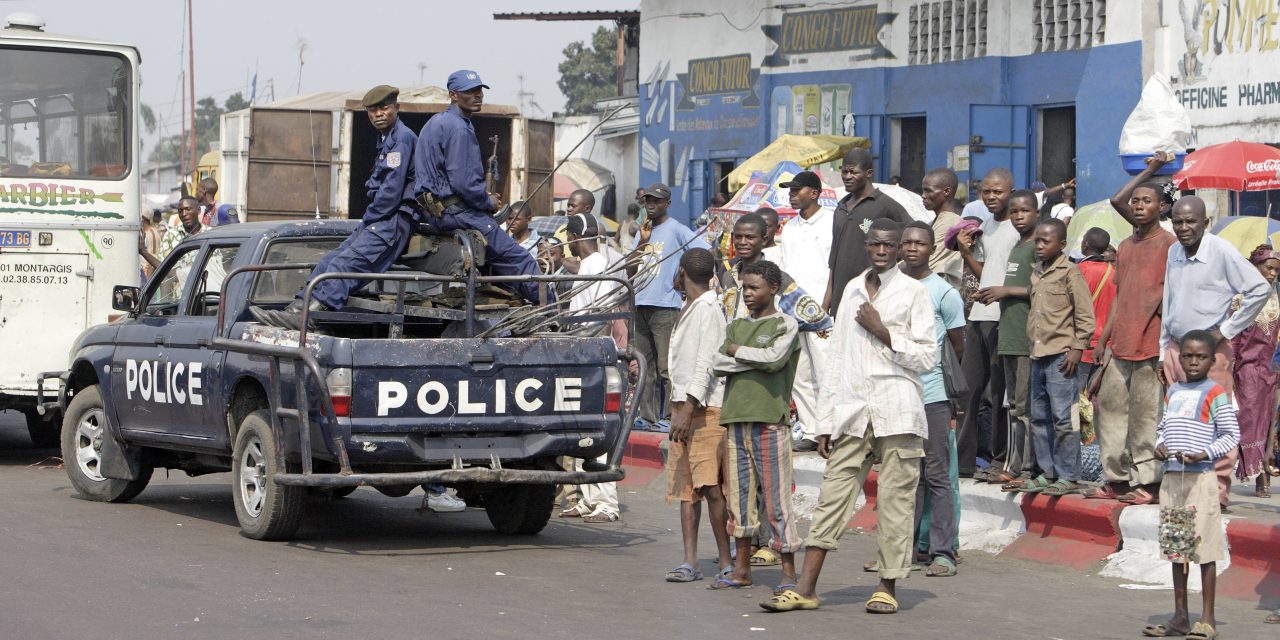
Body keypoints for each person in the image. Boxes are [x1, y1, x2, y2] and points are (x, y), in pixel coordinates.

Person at [762, 218, 936, 615]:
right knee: (831, 499)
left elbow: (927, 357)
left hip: (898, 413)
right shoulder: (852, 289)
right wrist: (824, 422)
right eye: (875, 244)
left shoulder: (913, 293)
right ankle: (805, 587)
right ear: (866, 245)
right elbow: (836, 359)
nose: (881, 251)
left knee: (895, 503)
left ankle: (887, 586)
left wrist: (885, 332)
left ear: (897, 250)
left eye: (888, 246)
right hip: (854, 413)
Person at [251, 85, 418, 330]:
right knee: (330, 259)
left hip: (393, 221)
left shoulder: (402, 138)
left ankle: (308, 315)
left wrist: (369, 217)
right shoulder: (386, 139)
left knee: (345, 264)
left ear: (397, 108)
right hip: (380, 218)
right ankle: (298, 308)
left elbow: (391, 194)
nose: (378, 114)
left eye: (384, 108)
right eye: (372, 110)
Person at [1160, 195, 1270, 509]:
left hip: (1212, 354)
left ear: (1205, 223)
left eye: (1190, 221)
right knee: (1179, 420)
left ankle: (1217, 491)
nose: (1183, 227)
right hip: (1176, 349)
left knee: (1217, 420)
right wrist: (1161, 351)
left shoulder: (1220, 251)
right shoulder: (1173, 252)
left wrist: (1226, 331)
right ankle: (1183, 486)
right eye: (1178, 221)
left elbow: (1259, 289)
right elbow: (1170, 302)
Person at [1085, 155, 1181, 503]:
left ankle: (1150, 483)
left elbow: (1171, 300)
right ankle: (1117, 479)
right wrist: (1105, 340)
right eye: (1136, 201)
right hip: (1119, 345)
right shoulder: (1124, 247)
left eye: (1147, 201)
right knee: (1109, 411)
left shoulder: (1170, 246)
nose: (1138, 206)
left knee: (1145, 417)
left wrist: (1168, 348)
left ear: (1161, 208)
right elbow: (1119, 296)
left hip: (1151, 346)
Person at [709, 260, 803, 592]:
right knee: (739, 500)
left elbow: (775, 359)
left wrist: (739, 355)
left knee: (777, 502)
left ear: (773, 288)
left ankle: (790, 574)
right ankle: (742, 570)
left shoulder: (786, 324)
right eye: (745, 288)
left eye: (754, 288)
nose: (747, 294)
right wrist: (753, 358)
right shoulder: (735, 327)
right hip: (735, 421)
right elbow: (718, 361)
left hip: (770, 423)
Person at [413, 70, 542, 304]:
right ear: (453, 95)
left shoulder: (435, 123)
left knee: (493, 263)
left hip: (438, 213)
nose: (477, 96)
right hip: (459, 213)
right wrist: (487, 201)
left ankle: (509, 307)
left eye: (479, 91)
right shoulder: (459, 127)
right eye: (469, 92)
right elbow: (463, 182)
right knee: (522, 261)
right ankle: (553, 313)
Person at [1142, 330, 1238, 640]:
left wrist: (1204, 453)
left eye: (1200, 357)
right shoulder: (1173, 391)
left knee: (1204, 548)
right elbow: (1162, 426)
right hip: (1172, 479)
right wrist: (1160, 444)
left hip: (1202, 479)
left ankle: (1207, 619)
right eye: (1187, 356)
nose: (1193, 362)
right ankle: (1180, 616)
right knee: (1176, 548)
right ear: (1179, 358)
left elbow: (1230, 435)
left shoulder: (1215, 392)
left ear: (1212, 360)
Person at [663, 247, 733, 582]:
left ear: (682, 273)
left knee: (711, 487)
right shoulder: (688, 306)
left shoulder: (709, 310)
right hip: (682, 407)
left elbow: (707, 363)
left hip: (703, 409)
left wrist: (689, 408)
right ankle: (689, 560)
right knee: (686, 489)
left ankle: (725, 560)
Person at [898, 221, 964, 577]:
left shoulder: (943, 291)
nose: (912, 248)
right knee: (906, 476)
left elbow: (958, 344)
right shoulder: (890, 285)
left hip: (933, 394)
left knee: (936, 474)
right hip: (898, 393)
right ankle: (902, 551)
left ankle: (943, 553)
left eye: (919, 243)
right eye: (906, 242)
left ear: (930, 248)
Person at [558, 213, 626, 523]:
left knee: (596, 431)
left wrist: (575, 340)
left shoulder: (597, 265)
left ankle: (606, 503)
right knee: (579, 431)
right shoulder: (589, 265)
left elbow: (600, 317)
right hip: (581, 354)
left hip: (593, 356)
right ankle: (587, 498)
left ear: (573, 237)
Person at [626, 182, 710, 431]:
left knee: (667, 367)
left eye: (656, 201)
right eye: (648, 201)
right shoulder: (643, 231)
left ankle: (671, 416)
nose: (651, 205)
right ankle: (648, 417)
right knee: (645, 365)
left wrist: (681, 273)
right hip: (641, 301)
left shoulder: (677, 229)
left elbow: (704, 252)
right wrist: (642, 242)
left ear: (667, 204)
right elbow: (629, 267)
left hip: (666, 304)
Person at [1022, 218, 1095, 496]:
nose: (1039, 246)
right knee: (1039, 417)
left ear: (1061, 244)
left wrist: (1077, 348)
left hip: (1061, 356)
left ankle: (1069, 475)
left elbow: (1085, 316)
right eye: (1037, 240)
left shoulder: (1070, 272)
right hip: (1038, 354)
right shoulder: (1037, 272)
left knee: (1064, 418)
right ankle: (1047, 472)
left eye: (1045, 241)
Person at [954, 168, 1017, 478]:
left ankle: (998, 460)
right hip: (978, 316)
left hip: (1002, 318)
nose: (992, 197)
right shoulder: (986, 226)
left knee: (997, 394)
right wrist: (966, 251)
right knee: (967, 391)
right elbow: (987, 274)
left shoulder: (1019, 227)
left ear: (1010, 191)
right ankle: (963, 462)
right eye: (986, 192)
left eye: (998, 192)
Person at [972, 190, 1038, 488]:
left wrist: (1005, 291)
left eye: (1025, 211)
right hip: (1007, 333)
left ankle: (1025, 468)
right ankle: (1012, 464)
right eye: (1015, 212)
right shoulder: (1016, 247)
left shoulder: (1037, 246)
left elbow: (1044, 288)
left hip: (1027, 336)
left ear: (1036, 212)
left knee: (1024, 406)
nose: (1019, 216)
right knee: (1012, 405)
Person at [776, 171, 836, 451]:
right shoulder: (789, 228)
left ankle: (832, 431)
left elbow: (834, 269)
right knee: (800, 373)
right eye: (790, 189)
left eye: (797, 189)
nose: (792, 193)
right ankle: (812, 430)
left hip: (822, 311)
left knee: (825, 370)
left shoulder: (834, 222)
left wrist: (825, 307)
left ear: (814, 193)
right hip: (792, 310)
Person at [823, 148, 912, 317]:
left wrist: (893, 267)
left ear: (868, 173)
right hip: (840, 302)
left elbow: (912, 236)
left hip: (872, 300)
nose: (847, 176)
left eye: (853, 172)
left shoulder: (886, 205)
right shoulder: (841, 207)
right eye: (844, 171)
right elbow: (834, 263)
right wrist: (826, 303)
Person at [1230, 246, 1280, 498]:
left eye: (1276, 271)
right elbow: (1234, 339)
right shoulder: (1241, 298)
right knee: (1249, 423)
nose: (1272, 274)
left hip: (1271, 371)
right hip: (1247, 371)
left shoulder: (1275, 298)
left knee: (1269, 422)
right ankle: (1252, 470)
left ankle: (1265, 477)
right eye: (1268, 268)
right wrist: (1230, 369)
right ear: (1255, 267)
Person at [920, 168, 963, 289]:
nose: (923, 196)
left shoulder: (951, 223)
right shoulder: (933, 222)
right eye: (923, 190)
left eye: (929, 191)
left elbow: (921, 262)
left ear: (947, 191)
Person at [140, 197, 201, 271]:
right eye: (180, 211)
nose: (184, 214)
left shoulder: (209, 233)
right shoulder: (171, 235)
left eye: (188, 209)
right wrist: (143, 251)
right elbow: (162, 266)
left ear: (198, 210)